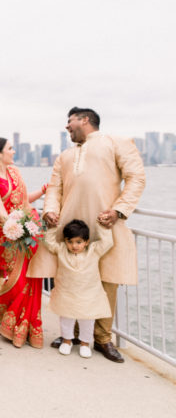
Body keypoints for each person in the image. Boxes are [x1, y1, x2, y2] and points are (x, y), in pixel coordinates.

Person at [32, 107, 145, 363]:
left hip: (105, 225)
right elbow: (54, 189)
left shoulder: (117, 143)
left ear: (84, 120)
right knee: (69, 280)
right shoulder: (65, 156)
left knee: (107, 281)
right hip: (70, 230)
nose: (66, 126)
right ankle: (69, 335)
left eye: (69, 121)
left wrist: (118, 210)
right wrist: (50, 210)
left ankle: (103, 340)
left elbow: (136, 178)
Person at [0, 137, 46, 348]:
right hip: (5, 234)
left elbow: (25, 202)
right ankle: (3, 314)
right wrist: (17, 228)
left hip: (26, 231)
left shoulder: (15, 172)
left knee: (29, 279)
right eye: (10, 148)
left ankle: (23, 325)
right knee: (15, 281)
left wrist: (44, 191)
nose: (13, 151)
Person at [43, 220, 113, 358]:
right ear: (65, 241)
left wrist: (101, 227)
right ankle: (67, 341)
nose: (74, 246)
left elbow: (107, 243)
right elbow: (49, 243)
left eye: (79, 242)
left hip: (89, 294)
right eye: (70, 242)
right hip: (66, 292)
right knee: (66, 318)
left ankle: (85, 344)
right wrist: (52, 228)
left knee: (87, 320)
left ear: (86, 242)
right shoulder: (61, 249)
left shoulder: (94, 250)